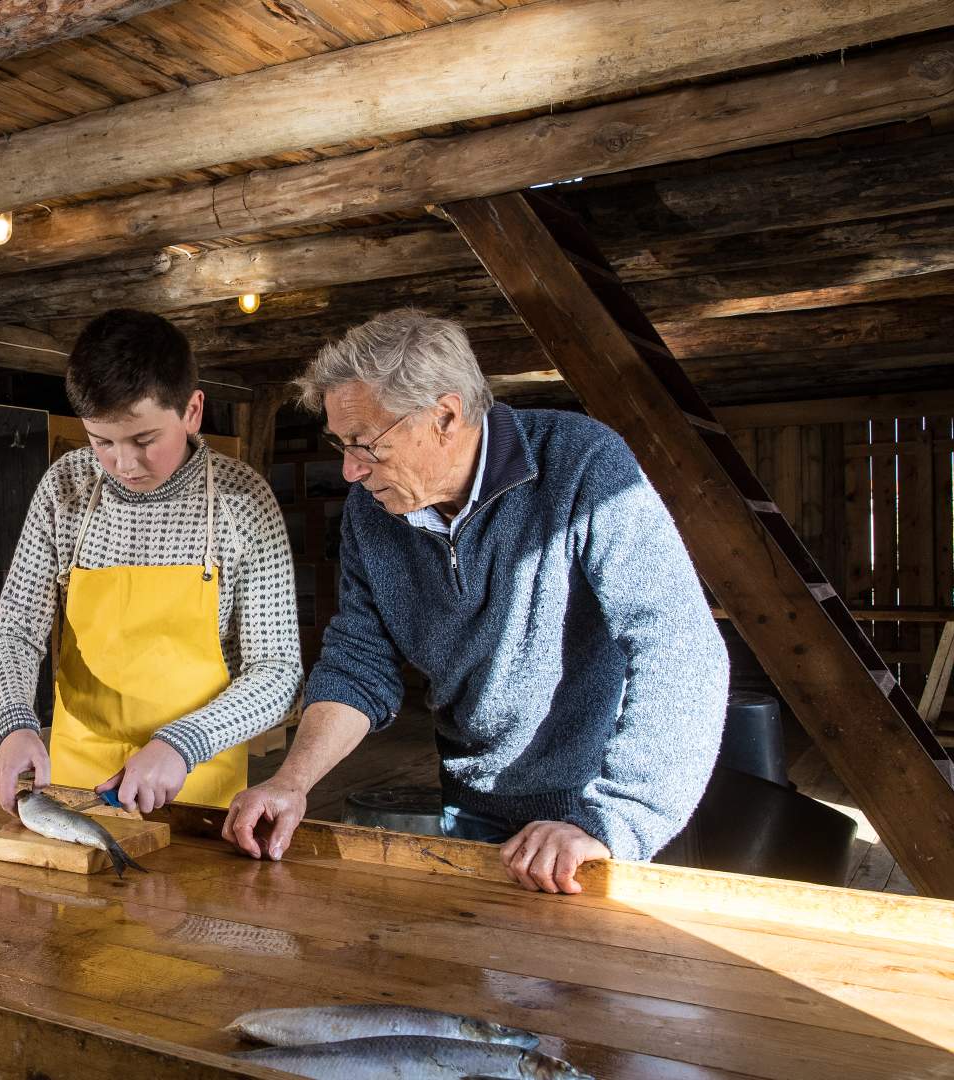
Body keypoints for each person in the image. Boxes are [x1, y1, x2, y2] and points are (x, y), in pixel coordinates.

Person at [221, 310, 728, 894]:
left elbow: (678, 645)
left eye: (366, 445)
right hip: (472, 800)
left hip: (595, 808)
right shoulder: (373, 512)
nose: (350, 470)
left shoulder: (581, 463)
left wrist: (618, 817)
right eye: (340, 444)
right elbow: (359, 664)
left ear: (445, 416)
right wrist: (291, 780)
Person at [0, 309, 301, 814]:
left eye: (145, 439)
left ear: (192, 411)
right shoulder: (64, 488)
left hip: (194, 779)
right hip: (77, 782)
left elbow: (278, 671)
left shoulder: (244, 502)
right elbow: (16, 631)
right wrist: (15, 722)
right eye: (102, 441)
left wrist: (184, 742)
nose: (124, 464)